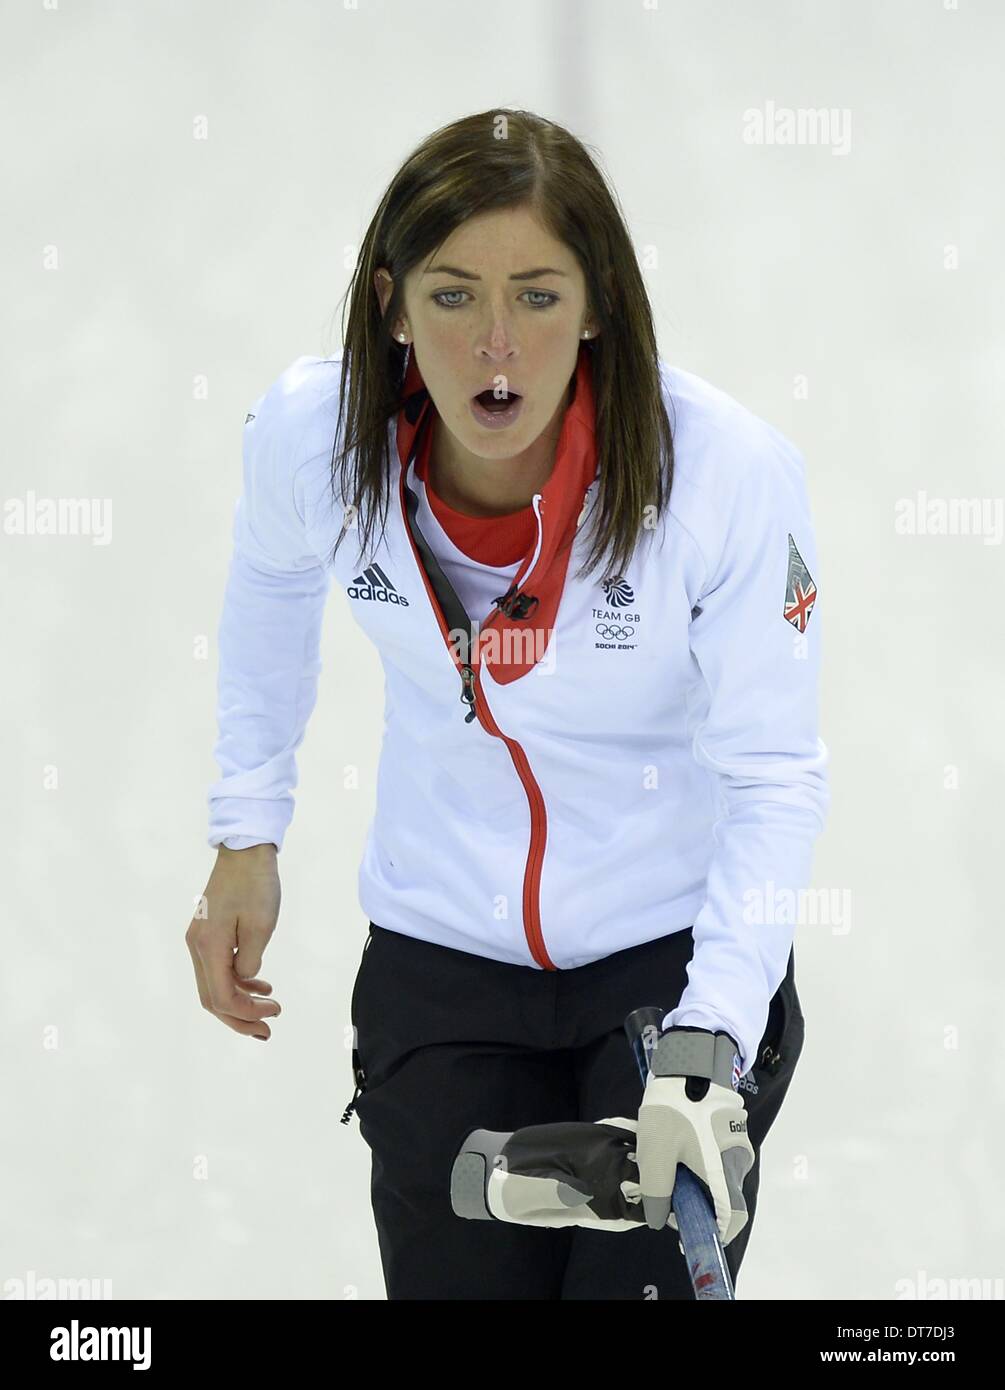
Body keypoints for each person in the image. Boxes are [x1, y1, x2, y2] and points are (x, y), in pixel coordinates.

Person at [187, 108, 829, 1300]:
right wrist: (246, 832)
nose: (495, 346)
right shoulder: (308, 440)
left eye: (537, 296)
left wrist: (714, 1035)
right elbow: (270, 589)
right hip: (444, 960)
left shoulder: (723, 477)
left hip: (672, 968)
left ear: (598, 305)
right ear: (388, 302)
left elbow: (775, 777)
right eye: (451, 297)